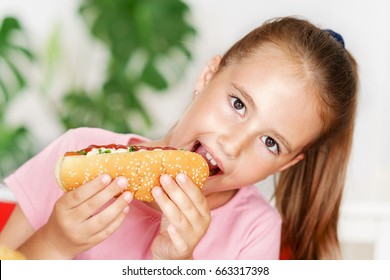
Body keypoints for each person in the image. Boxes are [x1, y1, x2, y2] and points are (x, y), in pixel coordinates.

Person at [0, 16, 358, 260]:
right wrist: (55, 242)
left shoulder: (254, 232)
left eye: (271, 143)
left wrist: (175, 265)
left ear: (286, 164)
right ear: (207, 76)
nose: (233, 145)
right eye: (237, 104)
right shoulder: (76, 151)